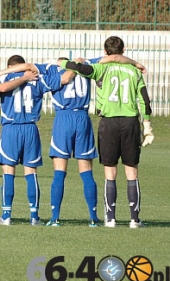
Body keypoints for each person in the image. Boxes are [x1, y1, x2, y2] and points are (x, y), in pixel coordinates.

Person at [60, 36, 153, 228]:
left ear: (105, 51)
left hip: (108, 123)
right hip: (130, 122)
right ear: (124, 49)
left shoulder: (100, 68)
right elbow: (144, 99)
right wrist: (147, 125)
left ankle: (110, 218)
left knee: (110, 171)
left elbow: (77, 68)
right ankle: (134, 219)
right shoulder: (133, 70)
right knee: (131, 170)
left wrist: (63, 61)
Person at [0, 55, 64, 226]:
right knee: (31, 173)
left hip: (11, 129)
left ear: (10, 66)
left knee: (8, 172)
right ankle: (34, 216)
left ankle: (6, 216)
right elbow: (61, 80)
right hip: (30, 129)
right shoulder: (37, 78)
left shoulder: (4, 77)